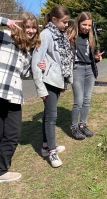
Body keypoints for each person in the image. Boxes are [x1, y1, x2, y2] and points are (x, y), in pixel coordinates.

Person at [0, 13, 43, 182]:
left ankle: (1, 170)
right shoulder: (4, 36)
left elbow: (24, 74)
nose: (31, 31)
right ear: (20, 26)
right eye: (28, 27)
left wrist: (38, 68)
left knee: (13, 133)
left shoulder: (29, 49)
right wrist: (5, 21)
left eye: (34, 27)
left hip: (13, 95)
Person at [31, 5, 72, 168]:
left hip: (56, 81)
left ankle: (45, 147)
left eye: (68, 22)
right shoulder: (46, 34)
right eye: (64, 22)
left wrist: (63, 82)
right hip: (47, 82)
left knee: (48, 114)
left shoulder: (60, 35)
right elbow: (36, 62)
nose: (66, 25)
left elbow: (61, 61)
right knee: (51, 117)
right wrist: (41, 89)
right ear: (54, 20)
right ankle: (52, 152)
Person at [66, 12, 104, 140]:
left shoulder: (90, 37)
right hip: (77, 69)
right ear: (78, 23)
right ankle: (74, 127)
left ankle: (82, 125)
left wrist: (97, 58)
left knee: (87, 99)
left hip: (90, 69)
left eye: (89, 25)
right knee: (79, 100)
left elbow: (90, 55)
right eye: (84, 24)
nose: (87, 27)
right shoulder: (71, 35)